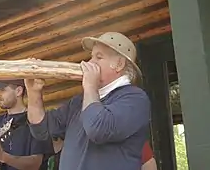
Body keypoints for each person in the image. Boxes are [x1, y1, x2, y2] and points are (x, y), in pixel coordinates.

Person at [25, 32, 151, 170]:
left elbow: (97, 129)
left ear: (119, 64)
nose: (89, 63)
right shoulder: (79, 101)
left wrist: (90, 85)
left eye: (99, 57)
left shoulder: (134, 98)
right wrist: (33, 92)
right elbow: (42, 130)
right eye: (92, 56)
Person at [0, 79, 54, 170]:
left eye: (2, 89)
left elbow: (35, 163)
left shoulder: (36, 121)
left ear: (18, 91)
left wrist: (4, 157)